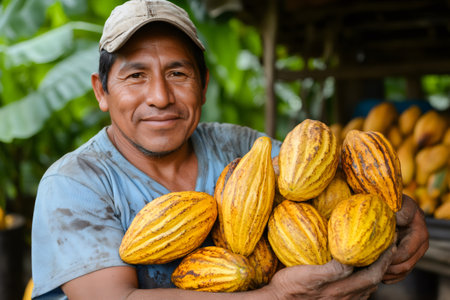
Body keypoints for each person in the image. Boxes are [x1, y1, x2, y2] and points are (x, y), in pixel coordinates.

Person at [31, 0, 429, 299]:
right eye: (135, 75)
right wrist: (272, 296)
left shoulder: (239, 146)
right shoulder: (74, 183)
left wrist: (403, 210)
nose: (159, 96)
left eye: (177, 73)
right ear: (102, 91)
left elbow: (330, 181)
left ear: (203, 86)